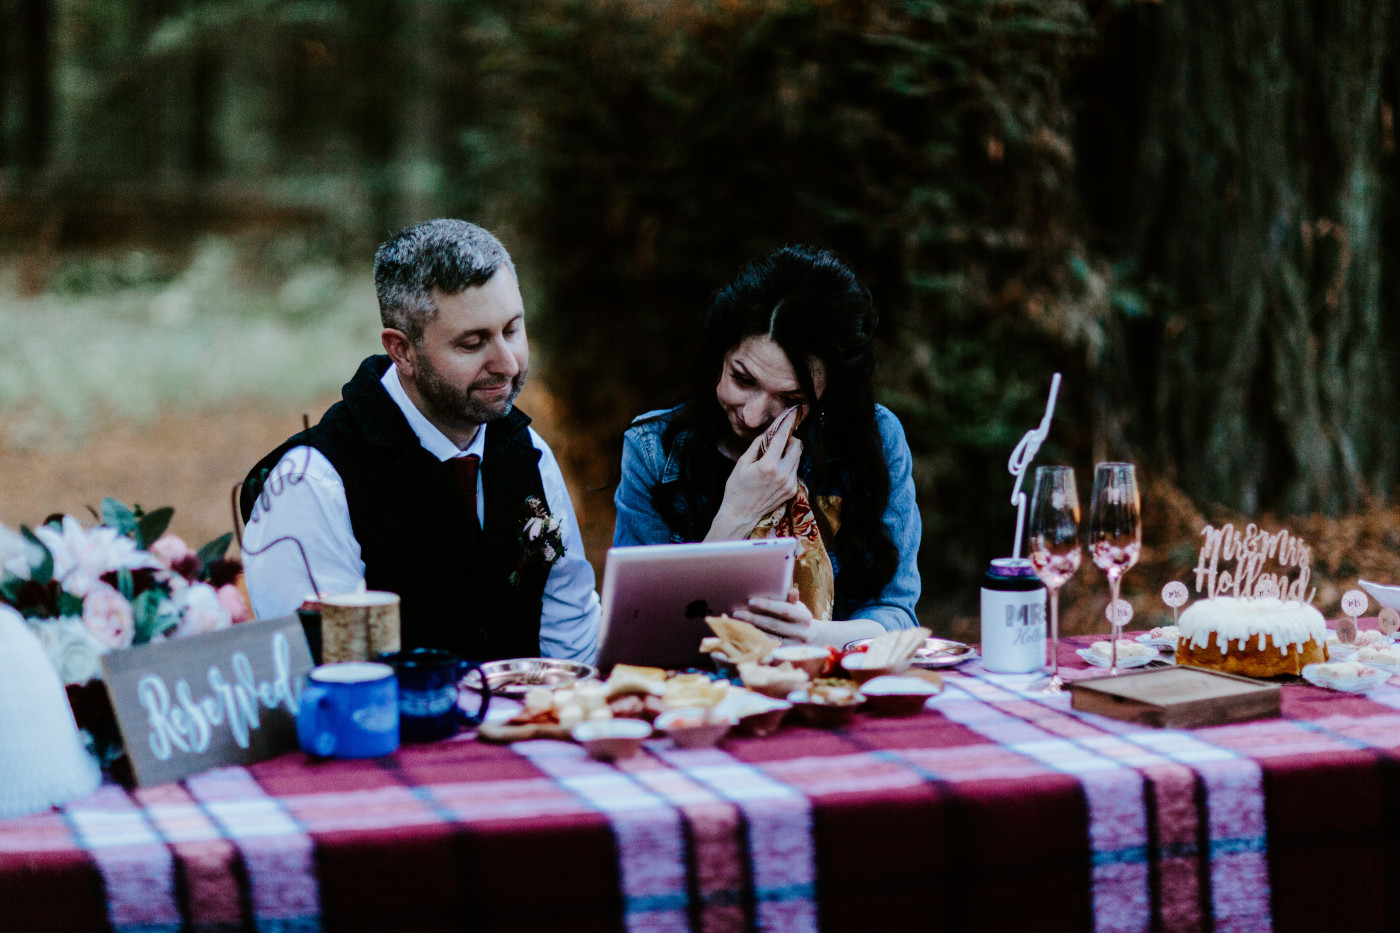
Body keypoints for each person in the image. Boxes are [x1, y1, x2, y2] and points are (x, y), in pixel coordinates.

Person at [240, 219, 599, 663]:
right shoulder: (313, 483)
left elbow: (569, 619)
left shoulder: (529, 454)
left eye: (511, 330)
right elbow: (329, 676)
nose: (506, 363)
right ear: (402, 350)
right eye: (473, 343)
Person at [613, 244, 920, 646]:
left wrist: (813, 635)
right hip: (699, 697)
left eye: (790, 401)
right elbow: (638, 634)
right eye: (743, 379)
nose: (754, 416)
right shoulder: (653, 450)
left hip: (830, 688)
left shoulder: (875, 440)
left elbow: (897, 612)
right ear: (721, 353)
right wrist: (737, 513)